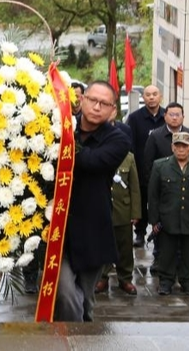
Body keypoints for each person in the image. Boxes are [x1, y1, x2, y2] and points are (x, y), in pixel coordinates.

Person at [55, 80, 131, 322]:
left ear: (113, 110)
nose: (97, 107)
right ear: (82, 99)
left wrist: (62, 144)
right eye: (93, 100)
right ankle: (71, 337)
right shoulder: (63, 125)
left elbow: (92, 161)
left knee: (86, 300)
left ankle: (81, 334)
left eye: (104, 104)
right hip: (59, 226)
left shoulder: (118, 139)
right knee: (65, 293)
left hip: (92, 228)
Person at [148, 132, 189, 297]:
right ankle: (166, 281)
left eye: (184, 146)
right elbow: (153, 195)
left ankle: (187, 281)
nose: (181, 149)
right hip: (168, 218)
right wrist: (154, 220)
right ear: (172, 147)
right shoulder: (160, 166)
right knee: (167, 252)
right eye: (178, 146)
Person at [124, 84, 164, 247]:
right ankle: (140, 233)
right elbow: (129, 142)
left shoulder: (167, 115)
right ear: (143, 97)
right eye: (148, 95)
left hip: (162, 169)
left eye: (155, 94)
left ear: (160, 96)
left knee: (160, 202)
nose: (151, 97)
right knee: (141, 202)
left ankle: (159, 232)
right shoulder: (134, 118)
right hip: (141, 168)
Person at [97, 150, 141, 296]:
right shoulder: (99, 153)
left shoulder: (128, 157)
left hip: (123, 209)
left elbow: (134, 188)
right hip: (103, 208)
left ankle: (125, 278)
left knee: (125, 247)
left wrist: (135, 213)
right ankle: (102, 277)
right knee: (102, 244)